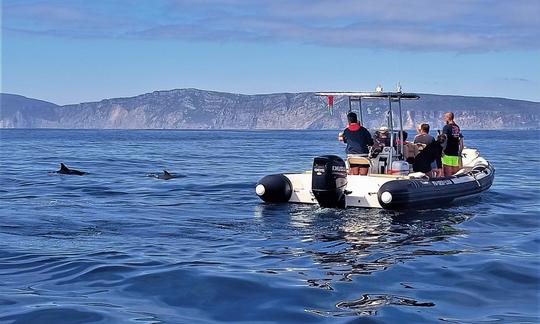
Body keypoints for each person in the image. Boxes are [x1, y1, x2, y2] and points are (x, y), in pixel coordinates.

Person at [441, 112, 462, 176]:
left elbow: (444, 139)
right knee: (454, 171)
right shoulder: (456, 127)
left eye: (445, 117)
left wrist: (442, 150)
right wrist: (460, 152)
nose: (444, 119)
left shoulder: (446, 127)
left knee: (447, 172)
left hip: (447, 152)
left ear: (448, 118)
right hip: (455, 151)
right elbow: (458, 139)